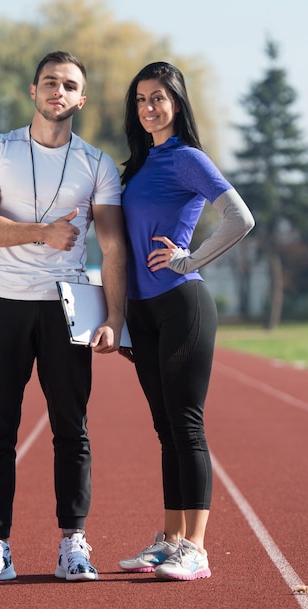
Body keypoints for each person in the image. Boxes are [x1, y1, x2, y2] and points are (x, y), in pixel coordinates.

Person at [0, 51, 126, 585]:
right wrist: (41, 233)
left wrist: (115, 318)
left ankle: (72, 543)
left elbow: (114, 247)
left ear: (80, 99)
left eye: (69, 84)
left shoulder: (96, 163)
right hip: (3, 303)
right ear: (33, 91)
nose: (58, 90)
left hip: (67, 309)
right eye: (49, 82)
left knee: (72, 430)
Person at [118, 61, 255, 581]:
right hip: (142, 312)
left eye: (158, 97)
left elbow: (240, 217)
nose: (149, 107)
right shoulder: (137, 166)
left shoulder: (187, 158)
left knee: (187, 426)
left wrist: (188, 259)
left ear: (176, 102)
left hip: (181, 304)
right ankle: (171, 539)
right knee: (164, 429)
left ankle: (195, 549)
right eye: (140, 99)